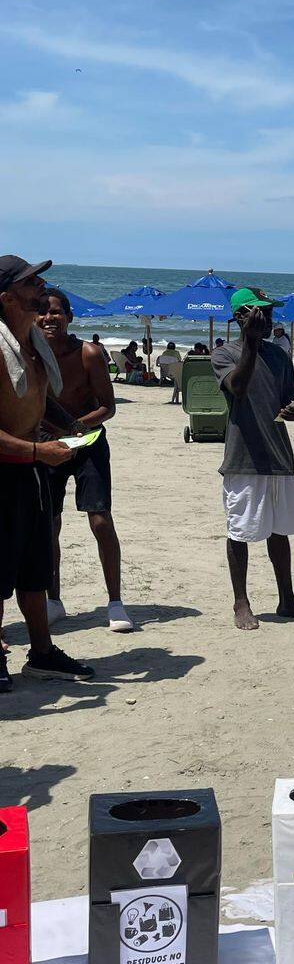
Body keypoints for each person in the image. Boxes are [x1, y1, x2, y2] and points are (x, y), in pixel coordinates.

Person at [0, 255, 93, 687]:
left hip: (29, 471)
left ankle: (41, 652)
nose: (41, 286)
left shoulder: (31, 344)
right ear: (7, 298)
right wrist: (38, 450)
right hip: (6, 472)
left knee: (34, 568)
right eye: (30, 282)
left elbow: (37, 397)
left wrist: (69, 425)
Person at [211, 288, 294, 631]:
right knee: (239, 530)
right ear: (240, 317)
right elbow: (238, 388)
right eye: (259, 313)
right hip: (244, 457)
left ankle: (287, 598)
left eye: (269, 313)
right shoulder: (224, 354)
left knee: (280, 531)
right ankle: (241, 601)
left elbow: (286, 401)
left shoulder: (280, 357)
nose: (267, 320)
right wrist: (252, 345)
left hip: (279, 455)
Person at [37, 289, 134, 633]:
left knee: (100, 520)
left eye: (56, 312)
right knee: (49, 524)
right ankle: (53, 600)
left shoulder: (88, 353)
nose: (49, 318)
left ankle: (115, 601)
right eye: (42, 312)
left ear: (69, 316)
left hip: (88, 442)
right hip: (46, 444)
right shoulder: (32, 354)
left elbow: (108, 406)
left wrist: (76, 427)